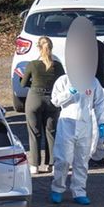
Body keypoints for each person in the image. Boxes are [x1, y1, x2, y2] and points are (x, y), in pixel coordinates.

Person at [49, 17, 104, 205]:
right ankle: (57, 188)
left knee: (82, 161)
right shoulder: (63, 81)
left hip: (86, 125)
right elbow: (55, 101)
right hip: (67, 124)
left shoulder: (93, 82)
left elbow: (99, 103)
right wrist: (70, 92)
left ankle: (79, 191)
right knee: (63, 159)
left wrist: (102, 123)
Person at [23, 36, 64, 174]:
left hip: (35, 99)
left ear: (38, 48)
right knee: (51, 132)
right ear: (51, 48)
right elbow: (63, 82)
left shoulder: (33, 64)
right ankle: (52, 164)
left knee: (34, 133)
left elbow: (23, 83)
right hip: (52, 99)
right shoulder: (57, 66)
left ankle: (34, 165)